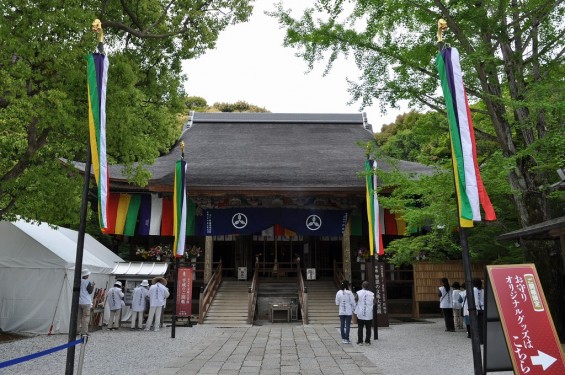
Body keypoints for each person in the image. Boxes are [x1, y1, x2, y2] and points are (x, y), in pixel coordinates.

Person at [335, 279, 356, 344]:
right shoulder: (349, 293)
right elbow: (353, 302)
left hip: (341, 311)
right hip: (348, 311)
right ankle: (347, 338)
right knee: (347, 325)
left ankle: (343, 338)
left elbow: (337, 303)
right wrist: (354, 309)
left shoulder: (338, 292)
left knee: (342, 324)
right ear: (347, 285)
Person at [354, 281, 375, 346]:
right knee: (368, 328)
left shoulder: (358, 293)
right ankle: (367, 341)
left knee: (360, 327)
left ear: (362, 286)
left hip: (360, 312)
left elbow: (355, 300)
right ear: (368, 287)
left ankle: (360, 341)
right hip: (368, 313)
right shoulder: (372, 294)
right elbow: (374, 302)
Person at [78, 268, 95, 335]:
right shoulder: (87, 282)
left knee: (78, 317)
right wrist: (93, 286)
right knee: (85, 317)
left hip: (79, 301)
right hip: (86, 302)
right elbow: (90, 291)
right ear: (87, 275)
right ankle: (84, 332)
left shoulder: (79, 281)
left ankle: (76, 330)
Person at [473, 278, 485, 344]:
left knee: (478, 325)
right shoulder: (483, 290)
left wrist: (476, 308)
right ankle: (482, 339)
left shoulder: (474, 289)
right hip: (483, 308)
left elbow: (475, 300)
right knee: (482, 325)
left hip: (477, 309)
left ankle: (479, 340)